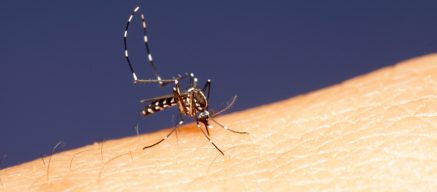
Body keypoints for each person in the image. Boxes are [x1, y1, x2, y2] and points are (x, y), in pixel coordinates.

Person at [1, 54, 437, 191]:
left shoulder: (202, 107)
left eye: (207, 119)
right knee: (183, 83)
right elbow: (187, 100)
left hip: (183, 98)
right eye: (208, 119)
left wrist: (216, 124)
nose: (207, 120)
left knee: (193, 81)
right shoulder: (187, 104)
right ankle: (148, 83)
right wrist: (177, 114)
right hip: (169, 95)